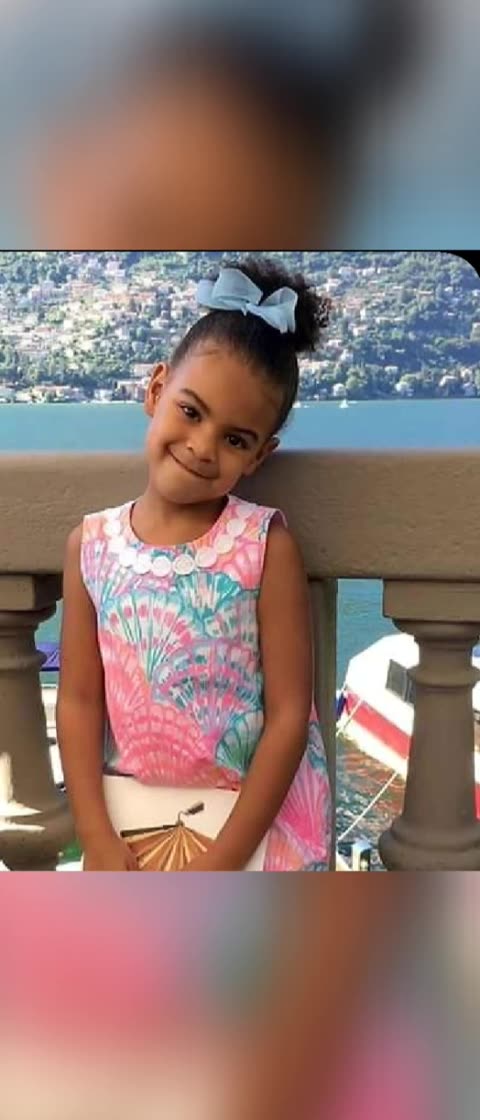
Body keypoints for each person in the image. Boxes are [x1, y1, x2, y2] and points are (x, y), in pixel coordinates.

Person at [57, 255, 332, 871]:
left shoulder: (264, 546)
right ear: (156, 390)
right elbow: (77, 702)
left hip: (249, 835)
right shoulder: (91, 546)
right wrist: (96, 835)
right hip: (132, 826)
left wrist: (221, 862)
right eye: (191, 410)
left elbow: (290, 717)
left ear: (260, 456)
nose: (203, 447)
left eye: (235, 439)